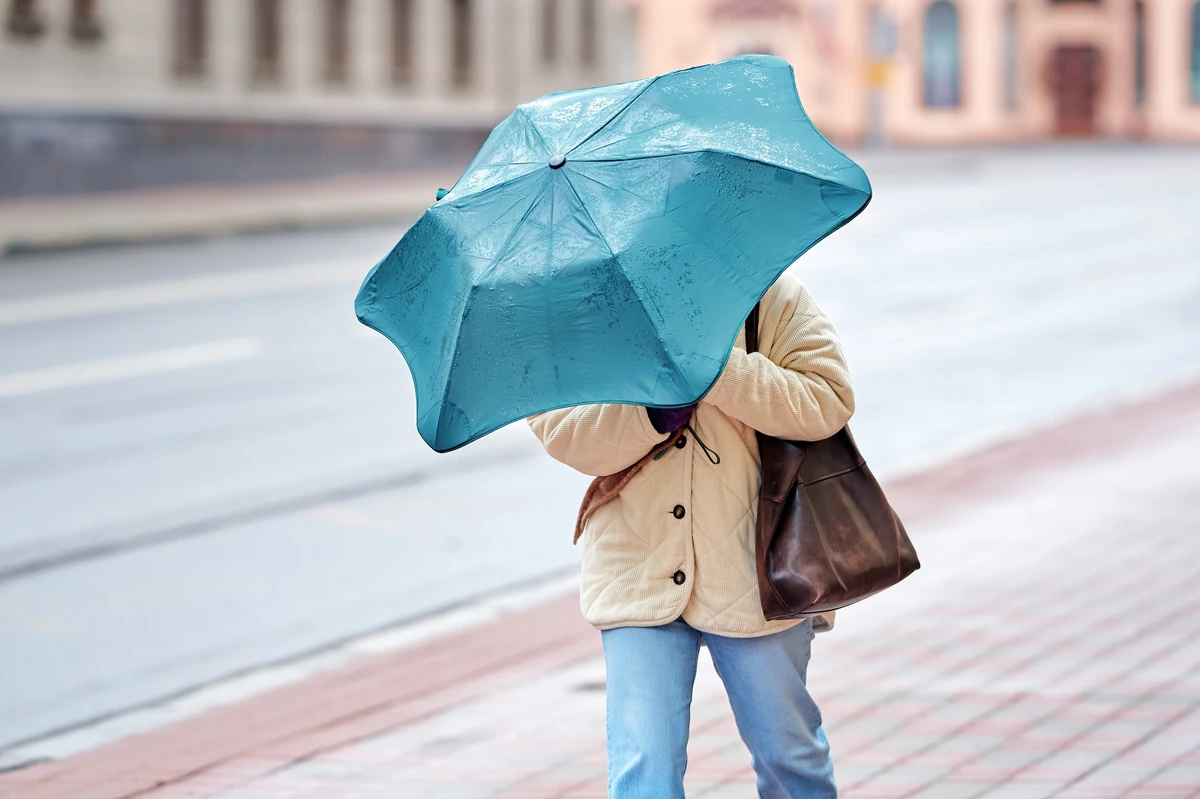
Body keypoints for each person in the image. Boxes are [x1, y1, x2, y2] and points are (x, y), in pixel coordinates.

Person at [527, 270, 854, 799]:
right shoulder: (586, 312)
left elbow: (826, 401)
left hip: (760, 569)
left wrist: (717, 368)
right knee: (643, 772)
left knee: (788, 758)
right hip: (636, 568)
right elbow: (565, 434)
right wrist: (655, 412)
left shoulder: (771, 294)